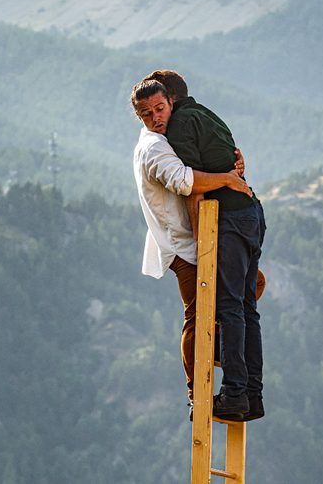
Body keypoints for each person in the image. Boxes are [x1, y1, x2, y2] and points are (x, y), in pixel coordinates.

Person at [130, 78, 265, 421]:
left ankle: (233, 372)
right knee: (205, 312)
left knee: (239, 299)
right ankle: (199, 393)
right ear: (139, 117)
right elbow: (187, 182)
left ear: (171, 102)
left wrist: (229, 169)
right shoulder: (155, 149)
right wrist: (228, 178)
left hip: (209, 233)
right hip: (184, 244)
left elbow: (206, 160)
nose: (156, 117)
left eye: (160, 109)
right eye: (147, 113)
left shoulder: (175, 132)